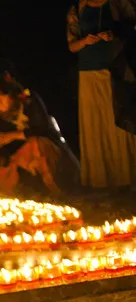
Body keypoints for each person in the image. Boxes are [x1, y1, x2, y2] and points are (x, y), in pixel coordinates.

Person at [67, 0, 136, 188]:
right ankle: (100, 178)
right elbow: (72, 45)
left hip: (113, 69)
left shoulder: (118, 4)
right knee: (95, 122)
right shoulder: (78, 7)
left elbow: (131, 28)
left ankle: (126, 176)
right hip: (88, 71)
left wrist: (114, 35)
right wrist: (85, 41)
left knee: (117, 120)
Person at [0, 77, 79, 195]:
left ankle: (59, 190)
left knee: (36, 144)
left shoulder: (29, 102)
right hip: (21, 158)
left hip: (48, 149)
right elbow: (2, 147)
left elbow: (42, 129)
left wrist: (13, 135)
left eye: (2, 98)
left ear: (11, 95)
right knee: (3, 170)